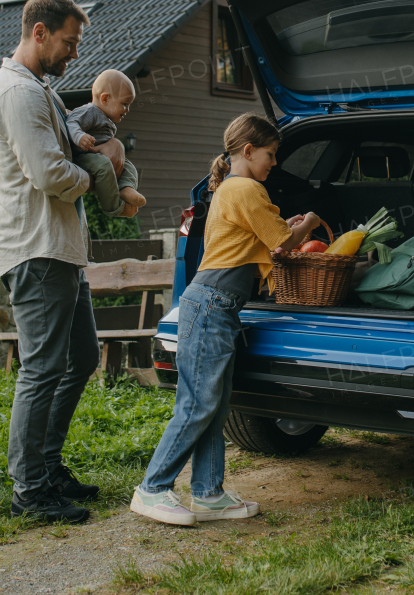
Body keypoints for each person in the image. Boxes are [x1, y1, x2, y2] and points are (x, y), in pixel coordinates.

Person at [131, 113, 322, 526]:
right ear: (248, 151)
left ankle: (208, 493)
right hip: (212, 305)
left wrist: (284, 227)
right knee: (197, 404)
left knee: (214, 407)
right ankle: (152, 489)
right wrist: (308, 223)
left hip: (215, 305)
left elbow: (260, 233)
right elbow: (283, 243)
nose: (275, 163)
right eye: (271, 154)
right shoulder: (248, 188)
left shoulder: (233, 189)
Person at [0, 0, 101, 524]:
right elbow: (51, 174)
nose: (74, 53)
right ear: (40, 32)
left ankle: (48, 468)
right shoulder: (17, 94)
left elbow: (69, 137)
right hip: (37, 249)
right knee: (43, 369)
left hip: (60, 249)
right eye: (69, 43)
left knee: (82, 359)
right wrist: (98, 178)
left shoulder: (41, 91)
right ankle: (30, 489)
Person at [67, 69, 146, 218]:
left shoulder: (106, 118)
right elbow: (71, 121)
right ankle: (114, 208)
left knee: (129, 167)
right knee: (104, 166)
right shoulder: (90, 111)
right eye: (124, 104)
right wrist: (80, 136)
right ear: (105, 99)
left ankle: (125, 188)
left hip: (99, 156)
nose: (128, 109)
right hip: (85, 155)